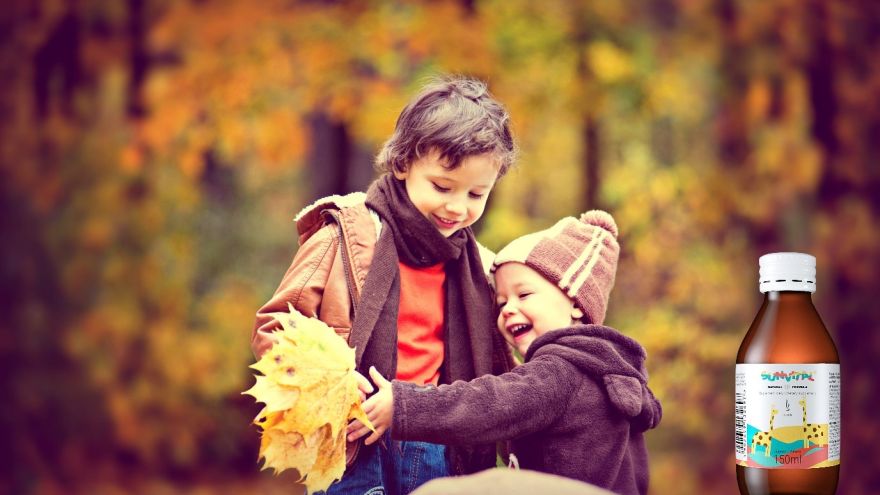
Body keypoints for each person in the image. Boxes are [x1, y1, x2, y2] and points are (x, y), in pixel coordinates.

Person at [252, 75, 517, 495]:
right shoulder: (346, 236)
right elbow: (277, 327)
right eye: (442, 187)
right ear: (402, 164)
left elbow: (510, 369)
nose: (457, 207)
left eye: (475, 194)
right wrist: (334, 381)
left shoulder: (479, 270)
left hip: (438, 446)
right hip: (352, 440)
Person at [349, 211, 663, 495]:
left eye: (524, 294)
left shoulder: (560, 373)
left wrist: (403, 405)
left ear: (577, 305)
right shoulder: (602, 371)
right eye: (501, 303)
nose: (509, 310)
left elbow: (488, 404)